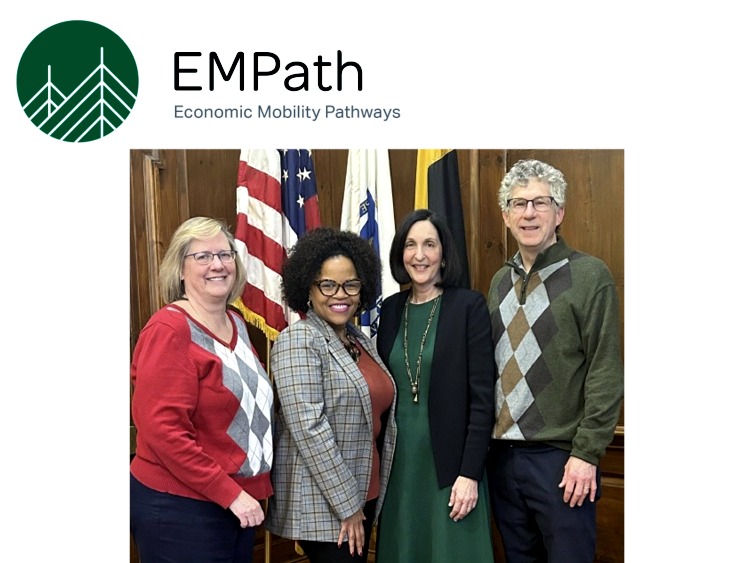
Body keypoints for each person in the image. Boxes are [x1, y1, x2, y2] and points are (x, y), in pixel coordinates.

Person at [486, 159, 624, 563]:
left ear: (559, 213)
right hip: (502, 458)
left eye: (540, 202)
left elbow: (605, 370)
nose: (529, 213)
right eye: (518, 203)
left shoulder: (590, 276)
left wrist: (586, 453)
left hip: (562, 461)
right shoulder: (499, 281)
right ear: (506, 216)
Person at [130, 217, 274, 563]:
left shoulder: (235, 321)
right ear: (180, 269)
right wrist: (230, 494)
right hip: (181, 509)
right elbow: (164, 431)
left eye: (224, 254)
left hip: (235, 505)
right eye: (203, 256)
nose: (217, 265)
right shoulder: (169, 329)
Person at [266, 227, 397, 563]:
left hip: (365, 491)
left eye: (351, 284)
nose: (341, 294)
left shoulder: (358, 339)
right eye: (327, 284)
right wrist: (348, 506)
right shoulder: (299, 340)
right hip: (326, 506)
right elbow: (310, 430)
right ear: (308, 288)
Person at [375, 208, 496, 563]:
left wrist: (470, 474)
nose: (420, 255)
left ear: (444, 253)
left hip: (451, 469)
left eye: (429, 244)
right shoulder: (391, 310)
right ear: (400, 253)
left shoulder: (468, 306)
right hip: (399, 468)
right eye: (410, 245)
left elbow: (483, 400)